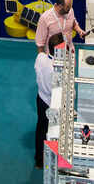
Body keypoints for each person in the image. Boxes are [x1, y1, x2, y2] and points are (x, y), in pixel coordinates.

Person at [34, 33, 65, 169]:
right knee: (54, 132)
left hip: (40, 98)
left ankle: (39, 160)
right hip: (53, 103)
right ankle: (53, 161)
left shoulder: (40, 58)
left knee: (40, 128)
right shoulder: (58, 69)